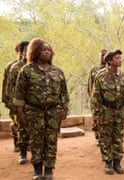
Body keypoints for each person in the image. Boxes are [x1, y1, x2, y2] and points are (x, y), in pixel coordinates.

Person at [14, 38, 69, 180]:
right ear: (36, 52)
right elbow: (19, 93)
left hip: (53, 111)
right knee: (36, 141)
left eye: (49, 50)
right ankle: (38, 170)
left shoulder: (57, 72)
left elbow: (64, 92)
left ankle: (49, 170)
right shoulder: (26, 70)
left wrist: (64, 108)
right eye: (43, 49)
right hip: (34, 111)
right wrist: (20, 112)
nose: (46, 52)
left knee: (51, 141)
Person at [92, 50, 124, 175]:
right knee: (106, 138)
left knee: (119, 138)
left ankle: (117, 162)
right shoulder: (100, 76)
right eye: (117, 58)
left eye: (120, 58)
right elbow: (96, 97)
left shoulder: (123, 75)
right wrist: (98, 115)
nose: (120, 60)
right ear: (109, 61)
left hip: (120, 111)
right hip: (106, 110)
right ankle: (108, 162)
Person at [7, 41, 30, 164]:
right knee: (20, 127)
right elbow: (9, 87)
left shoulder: (37, 66)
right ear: (21, 53)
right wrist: (12, 105)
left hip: (33, 105)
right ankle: (22, 152)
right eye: (26, 51)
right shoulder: (14, 68)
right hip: (19, 103)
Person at [2, 42, 22, 152]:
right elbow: (6, 84)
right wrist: (6, 99)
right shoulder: (11, 66)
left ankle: (25, 144)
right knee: (15, 123)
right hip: (13, 100)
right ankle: (16, 143)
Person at [87, 48, 108, 146]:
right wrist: (92, 99)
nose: (103, 57)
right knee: (96, 119)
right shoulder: (94, 70)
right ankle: (98, 137)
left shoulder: (110, 70)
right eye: (101, 55)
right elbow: (90, 86)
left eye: (105, 55)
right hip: (95, 100)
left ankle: (106, 137)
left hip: (107, 101)